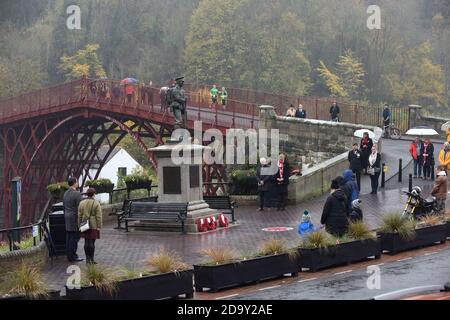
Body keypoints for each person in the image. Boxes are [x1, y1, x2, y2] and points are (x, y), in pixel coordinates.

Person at [78, 188, 103, 264]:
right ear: (94, 194)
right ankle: (92, 259)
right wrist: (99, 226)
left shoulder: (82, 203)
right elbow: (99, 216)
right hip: (93, 224)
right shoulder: (96, 203)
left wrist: (79, 225)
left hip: (84, 223)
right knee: (92, 242)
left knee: (86, 241)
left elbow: (79, 215)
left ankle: (87, 259)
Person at [63, 177, 83, 262]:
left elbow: (64, 206)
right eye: (77, 182)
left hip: (67, 217)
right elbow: (80, 208)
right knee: (75, 237)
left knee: (69, 237)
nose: (78, 183)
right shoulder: (77, 194)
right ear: (74, 183)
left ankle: (69, 255)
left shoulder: (65, 193)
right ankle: (73, 256)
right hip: (74, 218)